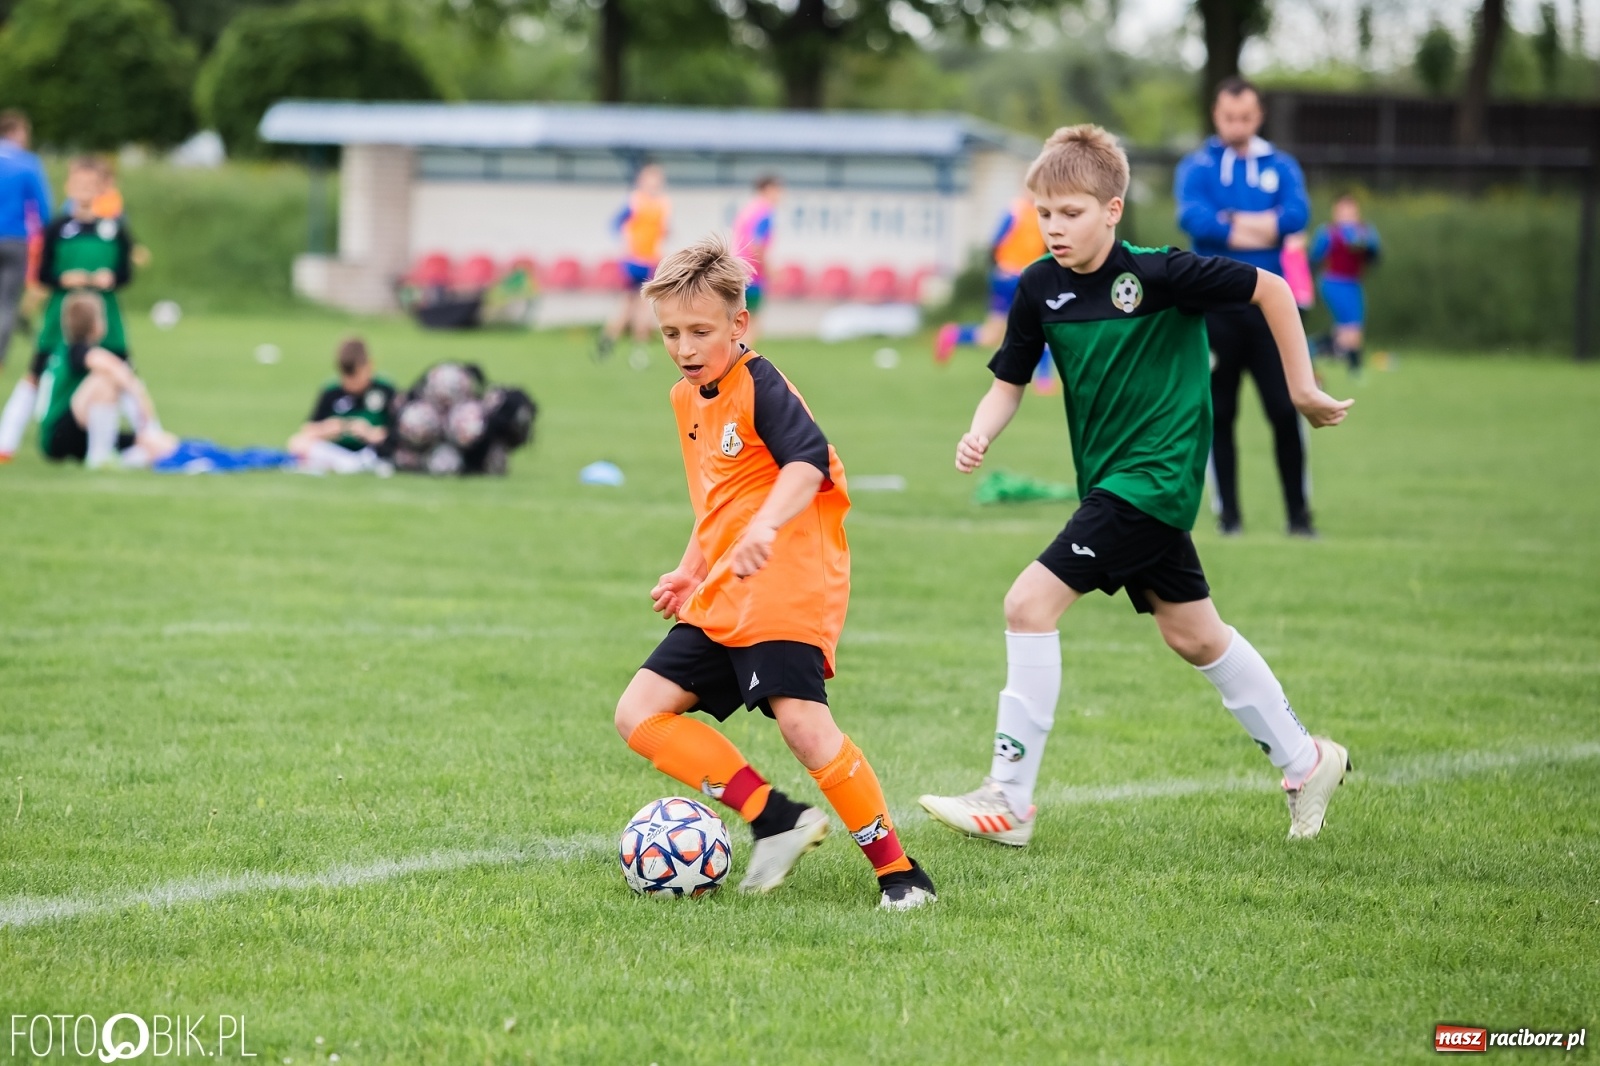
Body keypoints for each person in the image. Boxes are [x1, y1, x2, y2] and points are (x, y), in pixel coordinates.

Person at [917, 125, 1353, 850]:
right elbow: (1009, 384)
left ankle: (1009, 798)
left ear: (1112, 210)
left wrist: (1302, 386)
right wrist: (981, 431)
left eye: (1071, 213)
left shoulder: (1161, 275)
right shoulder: (1037, 288)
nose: (1054, 228)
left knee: (1028, 603)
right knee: (1194, 633)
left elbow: (1270, 288)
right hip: (1114, 485)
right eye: (1045, 214)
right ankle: (1306, 762)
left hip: (1153, 479)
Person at [612, 235, 937, 910]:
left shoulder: (760, 383)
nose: (685, 346)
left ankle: (901, 875)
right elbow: (720, 498)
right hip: (729, 586)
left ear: (740, 324)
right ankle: (776, 818)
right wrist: (689, 566)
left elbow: (806, 461)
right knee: (639, 713)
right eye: (671, 332)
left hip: (790, 576)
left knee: (803, 726)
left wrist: (766, 527)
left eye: (701, 331)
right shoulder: (685, 397)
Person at [1175, 78, 1315, 538]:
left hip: (1271, 312)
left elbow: (1296, 217)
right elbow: (1194, 221)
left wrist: (1231, 222)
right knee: (1219, 413)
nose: (1238, 124)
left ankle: (1299, 517)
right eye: (1229, 116)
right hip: (1215, 311)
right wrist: (1264, 227)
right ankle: (1229, 517)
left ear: (1259, 116)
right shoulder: (1197, 166)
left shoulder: (1283, 165)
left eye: (1246, 116)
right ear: (1217, 115)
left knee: (1284, 408)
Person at [0, 157, 133, 461]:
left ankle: (148, 433)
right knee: (36, 372)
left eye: (92, 185)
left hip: (104, 313)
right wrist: (63, 278)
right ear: (69, 187)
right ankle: (5, 442)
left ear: (103, 189)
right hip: (63, 314)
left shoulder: (113, 229)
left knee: (122, 372)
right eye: (80, 184)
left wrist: (109, 278)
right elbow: (43, 273)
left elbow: (125, 274)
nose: (85, 190)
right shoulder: (57, 229)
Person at [935, 188, 1058, 395]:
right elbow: (995, 242)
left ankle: (1044, 378)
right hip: (1008, 278)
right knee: (1005, 333)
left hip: (1028, 276)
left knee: (1025, 329)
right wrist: (1000, 268)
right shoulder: (1015, 211)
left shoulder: (1045, 214)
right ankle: (954, 335)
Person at [37, 291, 171, 468]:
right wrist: (143, 404)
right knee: (105, 379)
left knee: (164, 446)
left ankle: (124, 451)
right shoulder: (76, 351)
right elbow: (115, 368)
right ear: (96, 325)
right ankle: (100, 457)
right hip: (60, 435)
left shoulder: (69, 350)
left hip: (82, 431)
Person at [287, 337, 396, 474]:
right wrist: (330, 428)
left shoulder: (384, 390)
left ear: (369, 366)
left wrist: (369, 433)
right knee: (297, 442)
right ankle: (350, 465)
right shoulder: (332, 391)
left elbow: (398, 431)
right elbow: (308, 429)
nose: (350, 383)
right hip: (339, 451)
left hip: (372, 450)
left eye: (355, 376)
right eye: (345, 377)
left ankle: (357, 464)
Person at [597, 163, 671, 363]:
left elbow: (662, 230)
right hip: (633, 260)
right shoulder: (635, 201)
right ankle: (613, 343)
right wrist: (626, 241)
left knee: (641, 305)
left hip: (650, 260)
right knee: (630, 304)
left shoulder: (662, 204)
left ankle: (630, 347)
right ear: (642, 181)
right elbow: (615, 223)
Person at [1309, 194, 1381, 374]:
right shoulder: (1328, 232)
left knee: (1351, 331)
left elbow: (1374, 256)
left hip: (1354, 284)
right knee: (1350, 329)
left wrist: (1364, 247)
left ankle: (1313, 349)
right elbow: (1314, 259)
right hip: (1333, 282)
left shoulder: (1365, 231)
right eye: (1343, 210)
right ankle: (1353, 368)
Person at [0, 110, 49, 371]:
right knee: (7, 302)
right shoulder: (27, 163)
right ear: (16, 132)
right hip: (14, 239)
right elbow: (43, 208)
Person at [730, 174, 781, 343]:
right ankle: (744, 359)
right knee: (751, 318)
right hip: (752, 272)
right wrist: (768, 268)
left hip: (737, 267)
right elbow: (757, 245)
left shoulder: (747, 210)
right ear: (768, 189)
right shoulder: (764, 212)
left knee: (737, 317)